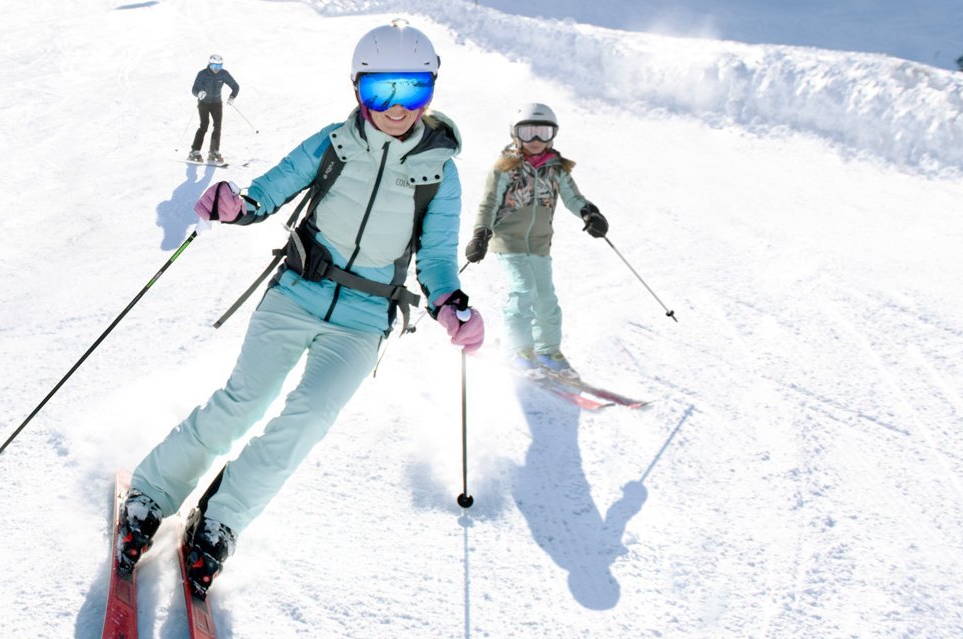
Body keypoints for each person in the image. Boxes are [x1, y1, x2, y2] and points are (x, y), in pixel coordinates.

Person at [114, 22, 484, 596]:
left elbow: (435, 259)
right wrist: (233, 204)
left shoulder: (441, 172)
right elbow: (265, 192)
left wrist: (450, 303)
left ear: (430, 91)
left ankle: (220, 519)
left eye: (409, 90)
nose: (394, 107)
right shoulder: (332, 143)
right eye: (380, 90)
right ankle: (151, 493)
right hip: (297, 292)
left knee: (307, 421)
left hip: (365, 319)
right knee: (242, 402)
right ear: (358, 89)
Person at [463, 103, 606, 376]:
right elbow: (489, 203)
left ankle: (547, 350)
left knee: (546, 299)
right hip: (508, 241)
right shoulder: (505, 167)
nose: (537, 140)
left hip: (540, 244)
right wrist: (481, 233)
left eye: (544, 132)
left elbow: (573, 198)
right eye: (529, 133)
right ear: (516, 135)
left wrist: (590, 213)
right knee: (523, 290)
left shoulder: (557, 169)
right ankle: (518, 350)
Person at [188, 54, 240, 166]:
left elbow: (235, 86)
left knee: (217, 126)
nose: (217, 69)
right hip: (204, 103)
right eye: (214, 66)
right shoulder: (202, 74)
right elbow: (194, 89)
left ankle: (213, 152)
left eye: (219, 66)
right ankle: (194, 151)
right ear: (210, 64)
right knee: (204, 125)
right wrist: (199, 93)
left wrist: (232, 97)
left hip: (217, 103)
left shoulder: (223, 74)